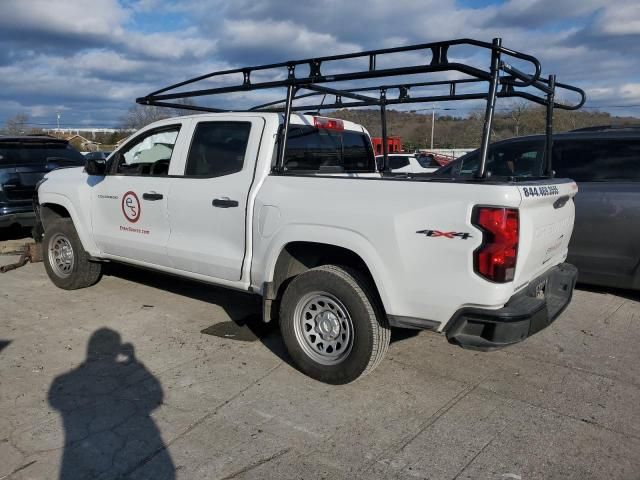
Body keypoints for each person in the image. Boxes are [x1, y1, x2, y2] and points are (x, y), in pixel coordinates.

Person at [48, 328, 175, 479]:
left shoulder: (63, 380)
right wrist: (133, 361)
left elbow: (55, 400)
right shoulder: (65, 380)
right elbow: (156, 397)